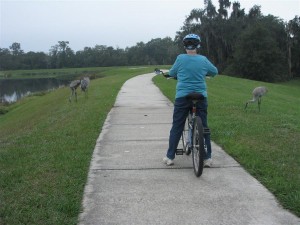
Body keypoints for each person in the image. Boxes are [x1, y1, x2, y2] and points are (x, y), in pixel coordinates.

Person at [163, 33, 218, 167]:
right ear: (198, 45)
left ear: (185, 46)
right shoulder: (203, 59)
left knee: (177, 126)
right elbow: (214, 71)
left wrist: (173, 75)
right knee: (203, 126)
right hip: (200, 97)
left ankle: (170, 157)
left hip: (183, 97)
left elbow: (172, 73)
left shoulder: (180, 58)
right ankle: (207, 158)